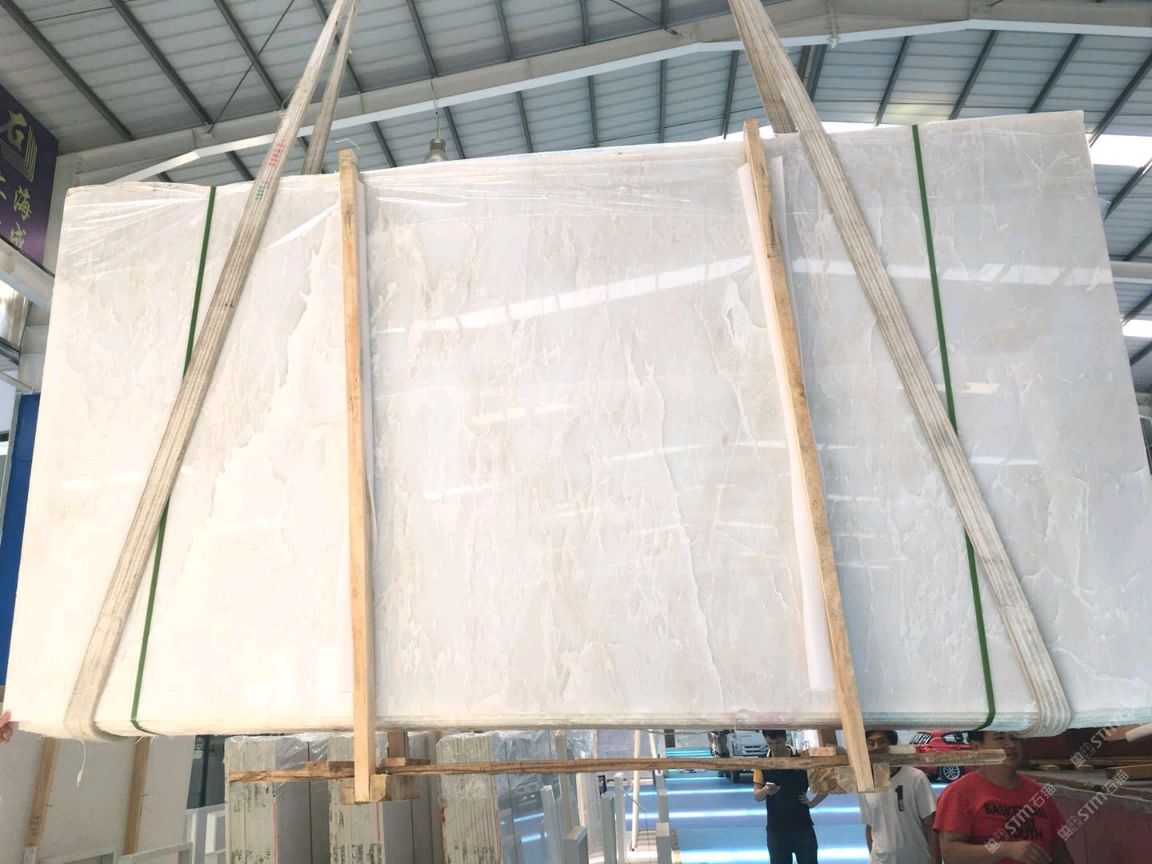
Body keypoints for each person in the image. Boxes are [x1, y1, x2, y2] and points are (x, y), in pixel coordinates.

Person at [935, 730, 1074, 864]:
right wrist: (1005, 850)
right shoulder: (959, 792)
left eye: (1015, 738)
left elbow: (1059, 852)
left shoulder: (1039, 793)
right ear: (976, 747)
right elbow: (951, 854)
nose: (1011, 745)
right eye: (1000, 738)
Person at [858, 730, 939, 864]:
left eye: (882, 742)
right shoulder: (867, 784)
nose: (877, 748)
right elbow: (870, 827)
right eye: (871, 743)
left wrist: (936, 859)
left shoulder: (916, 778)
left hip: (916, 859)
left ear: (892, 746)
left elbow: (930, 824)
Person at [752, 729, 826, 864]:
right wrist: (766, 790)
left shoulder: (802, 758)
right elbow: (757, 796)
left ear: (785, 739)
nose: (775, 747)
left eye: (778, 742)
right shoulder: (761, 762)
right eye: (770, 743)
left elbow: (826, 784)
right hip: (776, 829)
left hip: (803, 827)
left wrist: (813, 803)